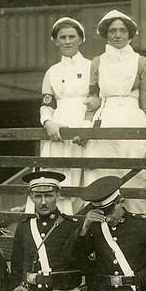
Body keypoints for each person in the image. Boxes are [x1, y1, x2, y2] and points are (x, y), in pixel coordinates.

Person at [86, 10, 146, 216]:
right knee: (104, 170)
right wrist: (87, 125)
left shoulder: (141, 62)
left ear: (130, 34)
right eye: (112, 31)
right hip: (106, 116)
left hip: (132, 117)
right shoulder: (98, 62)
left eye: (122, 30)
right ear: (106, 35)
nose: (117, 35)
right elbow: (93, 97)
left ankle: (140, 219)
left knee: (135, 172)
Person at [38, 16, 94, 214]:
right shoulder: (52, 72)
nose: (68, 41)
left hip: (83, 129)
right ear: (55, 40)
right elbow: (47, 104)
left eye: (72, 36)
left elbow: (96, 101)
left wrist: (87, 126)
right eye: (63, 37)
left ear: (81, 39)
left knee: (83, 176)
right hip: (59, 130)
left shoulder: (91, 67)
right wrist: (48, 122)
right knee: (58, 176)